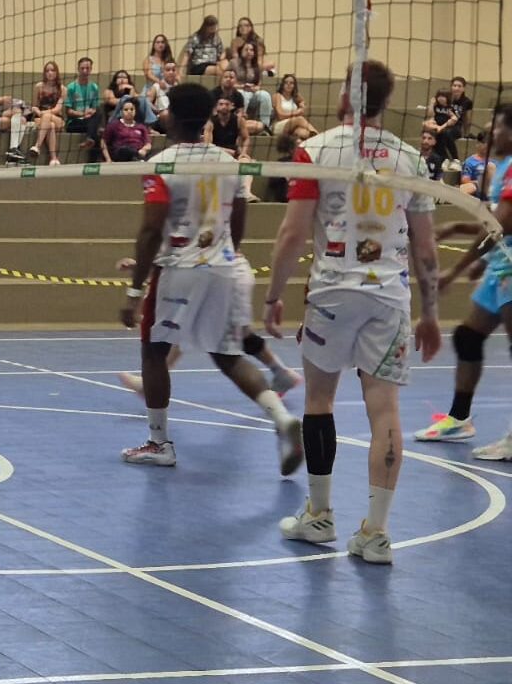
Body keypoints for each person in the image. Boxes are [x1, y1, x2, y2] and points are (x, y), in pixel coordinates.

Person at [266, 60, 442, 564]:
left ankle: (319, 515)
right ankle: (377, 533)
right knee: (384, 409)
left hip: (332, 294)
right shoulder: (411, 159)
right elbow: (426, 251)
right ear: (386, 100)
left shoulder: (316, 151)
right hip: (389, 296)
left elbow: (292, 234)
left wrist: (273, 295)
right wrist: (430, 313)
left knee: (319, 400)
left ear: (347, 95)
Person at [116, 83, 302, 471]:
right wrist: (220, 254)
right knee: (227, 356)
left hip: (178, 271)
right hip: (222, 267)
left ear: (173, 116)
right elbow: (239, 219)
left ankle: (159, 443)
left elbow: (151, 230)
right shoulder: (229, 161)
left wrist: (134, 292)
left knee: (154, 351)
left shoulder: (162, 164)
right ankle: (283, 419)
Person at [410, 103, 512, 460]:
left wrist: (456, 270)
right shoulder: (503, 168)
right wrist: (457, 228)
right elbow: (497, 222)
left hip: (510, 270)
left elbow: (501, 226)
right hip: (502, 267)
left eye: (498, 127)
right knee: (468, 337)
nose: (492, 132)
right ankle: (458, 419)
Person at [114, 256, 302, 398]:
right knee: (226, 333)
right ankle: (281, 374)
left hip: (224, 275)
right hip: (218, 274)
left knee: (223, 351)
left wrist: (141, 272)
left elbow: (177, 254)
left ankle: (280, 414)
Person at [26, 60, 65, 165]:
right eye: (47, 71)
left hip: (57, 118)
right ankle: (53, 158)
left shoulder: (62, 89)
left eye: (52, 70)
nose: (50, 73)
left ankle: (37, 146)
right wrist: (39, 112)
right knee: (50, 126)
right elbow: (34, 106)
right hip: (40, 118)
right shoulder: (39, 87)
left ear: (56, 72)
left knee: (49, 119)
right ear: (44, 73)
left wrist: (44, 113)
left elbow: (58, 109)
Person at [63, 57, 100, 144]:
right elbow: (68, 111)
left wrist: (91, 112)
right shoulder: (71, 87)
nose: (84, 71)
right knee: (96, 129)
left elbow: (94, 108)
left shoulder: (94, 87)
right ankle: (90, 139)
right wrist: (83, 114)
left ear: (91, 69)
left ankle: (89, 140)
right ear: (78, 69)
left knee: (98, 115)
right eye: (82, 68)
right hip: (74, 122)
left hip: (89, 120)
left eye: (87, 68)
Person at [204, 93, 252, 160]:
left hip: (234, 152)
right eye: (221, 104)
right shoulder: (210, 122)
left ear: (232, 106)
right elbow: (208, 145)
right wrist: (226, 151)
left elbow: (246, 138)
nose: (224, 107)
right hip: (215, 153)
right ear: (216, 107)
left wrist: (243, 153)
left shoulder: (239, 120)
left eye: (227, 104)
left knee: (245, 161)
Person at [270, 74, 316, 141]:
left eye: (291, 83)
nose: (288, 84)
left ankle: (314, 141)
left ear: (294, 86)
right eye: (286, 82)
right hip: (279, 126)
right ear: (282, 84)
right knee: (300, 118)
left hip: (292, 127)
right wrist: (297, 112)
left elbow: (303, 102)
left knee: (304, 133)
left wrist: (302, 104)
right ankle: (320, 137)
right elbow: (280, 115)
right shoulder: (277, 96)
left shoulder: (295, 97)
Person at [441, 76, 474, 160]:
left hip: (456, 127)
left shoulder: (467, 102)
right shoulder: (445, 98)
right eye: (454, 85)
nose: (456, 88)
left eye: (459, 86)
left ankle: (455, 159)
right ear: (451, 87)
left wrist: (466, 133)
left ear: (463, 88)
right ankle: (444, 158)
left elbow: (466, 118)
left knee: (447, 134)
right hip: (443, 124)